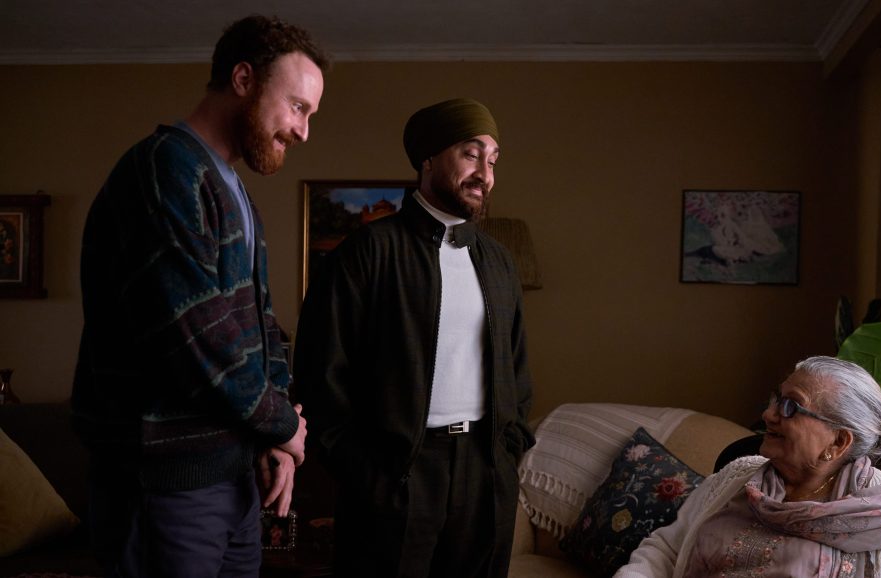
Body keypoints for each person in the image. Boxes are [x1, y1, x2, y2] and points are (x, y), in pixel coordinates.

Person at [72, 14, 328, 577]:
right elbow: (197, 337)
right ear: (243, 79)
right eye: (297, 107)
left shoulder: (235, 191)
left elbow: (262, 331)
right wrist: (285, 426)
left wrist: (275, 438)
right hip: (165, 486)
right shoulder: (164, 169)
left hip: (234, 476)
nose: (303, 131)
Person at [292, 97, 535, 578]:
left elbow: (518, 369)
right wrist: (364, 473)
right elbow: (321, 375)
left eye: (492, 160)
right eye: (471, 154)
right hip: (395, 474)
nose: (484, 174)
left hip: (485, 472)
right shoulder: (365, 252)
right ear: (428, 159)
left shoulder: (500, 262)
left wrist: (508, 453)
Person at [614, 356, 881, 578]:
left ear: (838, 441)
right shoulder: (736, 476)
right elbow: (665, 550)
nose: (769, 415)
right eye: (776, 400)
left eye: (791, 407)